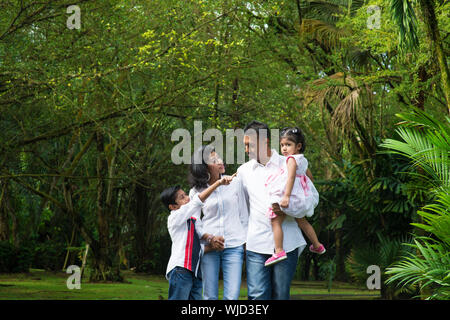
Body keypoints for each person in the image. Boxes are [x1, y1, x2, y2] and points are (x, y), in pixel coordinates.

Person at [237, 120, 307, 300]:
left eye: (249, 145)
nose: (246, 150)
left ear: (264, 142)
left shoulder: (291, 164)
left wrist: (289, 208)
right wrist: (244, 238)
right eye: (244, 145)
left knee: (281, 295)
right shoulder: (244, 171)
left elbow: (310, 200)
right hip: (256, 244)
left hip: (287, 243)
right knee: (257, 295)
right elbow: (243, 209)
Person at [160, 174, 235, 300]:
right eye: (182, 197)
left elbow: (198, 244)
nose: (188, 198)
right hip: (181, 270)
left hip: (194, 271)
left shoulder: (191, 219)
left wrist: (214, 241)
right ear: (173, 207)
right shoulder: (174, 218)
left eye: (186, 194)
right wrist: (218, 183)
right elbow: (197, 201)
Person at [188, 145, 248, 300]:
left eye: (219, 157)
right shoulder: (196, 191)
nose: (220, 161)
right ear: (203, 167)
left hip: (234, 245)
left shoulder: (235, 182)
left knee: (232, 297)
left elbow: (243, 215)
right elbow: (194, 223)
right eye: (214, 160)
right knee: (209, 296)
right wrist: (208, 240)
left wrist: (246, 242)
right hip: (209, 247)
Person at [264, 127, 325, 267]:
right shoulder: (303, 160)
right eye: (282, 145)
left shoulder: (291, 159)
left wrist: (286, 197)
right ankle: (317, 245)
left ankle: (279, 250)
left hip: (290, 196)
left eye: (288, 145)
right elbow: (310, 177)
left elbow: (290, 177)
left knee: (275, 220)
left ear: (298, 146)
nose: (284, 149)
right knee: (302, 221)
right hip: (300, 197)